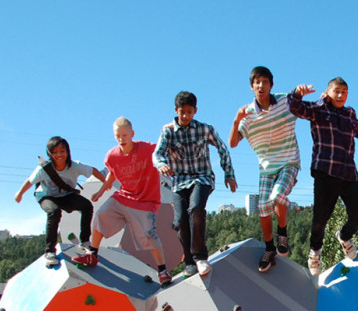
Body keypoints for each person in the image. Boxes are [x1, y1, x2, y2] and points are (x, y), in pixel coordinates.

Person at [287, 77, 358, 276]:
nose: (341, 95)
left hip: (348, 172)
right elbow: (296, 108)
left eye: (344, 92)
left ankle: (344, 237)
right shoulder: (318, 109)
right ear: (328, 93)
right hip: (326, 170)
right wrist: (297, 93)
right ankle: (315, 252)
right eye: (337, 91)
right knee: (321, 219)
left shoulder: (349, 113)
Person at [73, 117, 172, 287]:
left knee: (149, 236)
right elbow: (112, 172)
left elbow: (163, 144)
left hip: (145, 200)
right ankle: (93, 254)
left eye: (125, 136)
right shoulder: (112, 155)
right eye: (118, 136)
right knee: (101, 215)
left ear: (132, 134)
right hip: (124, 196)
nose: (121, 139)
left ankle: (162, 270)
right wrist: (101, 190)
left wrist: (168, 128)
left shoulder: (146, 149)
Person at [153, 91, 237, 277]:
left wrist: (229, 174)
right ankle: (189, 263)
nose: (185, 116)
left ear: (195, 111)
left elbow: (223, 149)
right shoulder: (168, 132)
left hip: (202, 177)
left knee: (196, 208)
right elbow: (157, 153)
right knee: (181, 219)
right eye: (182, 112)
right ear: (176, 111)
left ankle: (200, 257)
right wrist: (162, 164)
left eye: (189, 112)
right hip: (179, 181)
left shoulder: (204, 129)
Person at [229, 66, 300, 273]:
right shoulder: (248, 115)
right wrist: (236, 119)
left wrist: (316, 97)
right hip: (266, 167)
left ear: (271, 85)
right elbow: (233, 142)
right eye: (257, 82)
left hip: (289, 161)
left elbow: (305, 108)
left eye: (265, 82)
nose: (261, 85)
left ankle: (283, 233)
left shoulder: (285, 101)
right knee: (262, 208)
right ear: (252, 87)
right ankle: (269, 249)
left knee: (278, 196)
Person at [14, 136, 105, 267]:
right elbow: (29, 181)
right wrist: (19, 193)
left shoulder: (75, 166)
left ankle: (85, 241)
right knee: (54, 212)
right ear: (50, 154)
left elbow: (94, 171)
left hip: (66, 195)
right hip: (46, 196)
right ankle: (50, 251)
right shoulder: (44, 169)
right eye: (55, 152)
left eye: (62, 151)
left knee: (86, 206)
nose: (59, 155)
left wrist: (106, 184)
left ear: (67, 151)